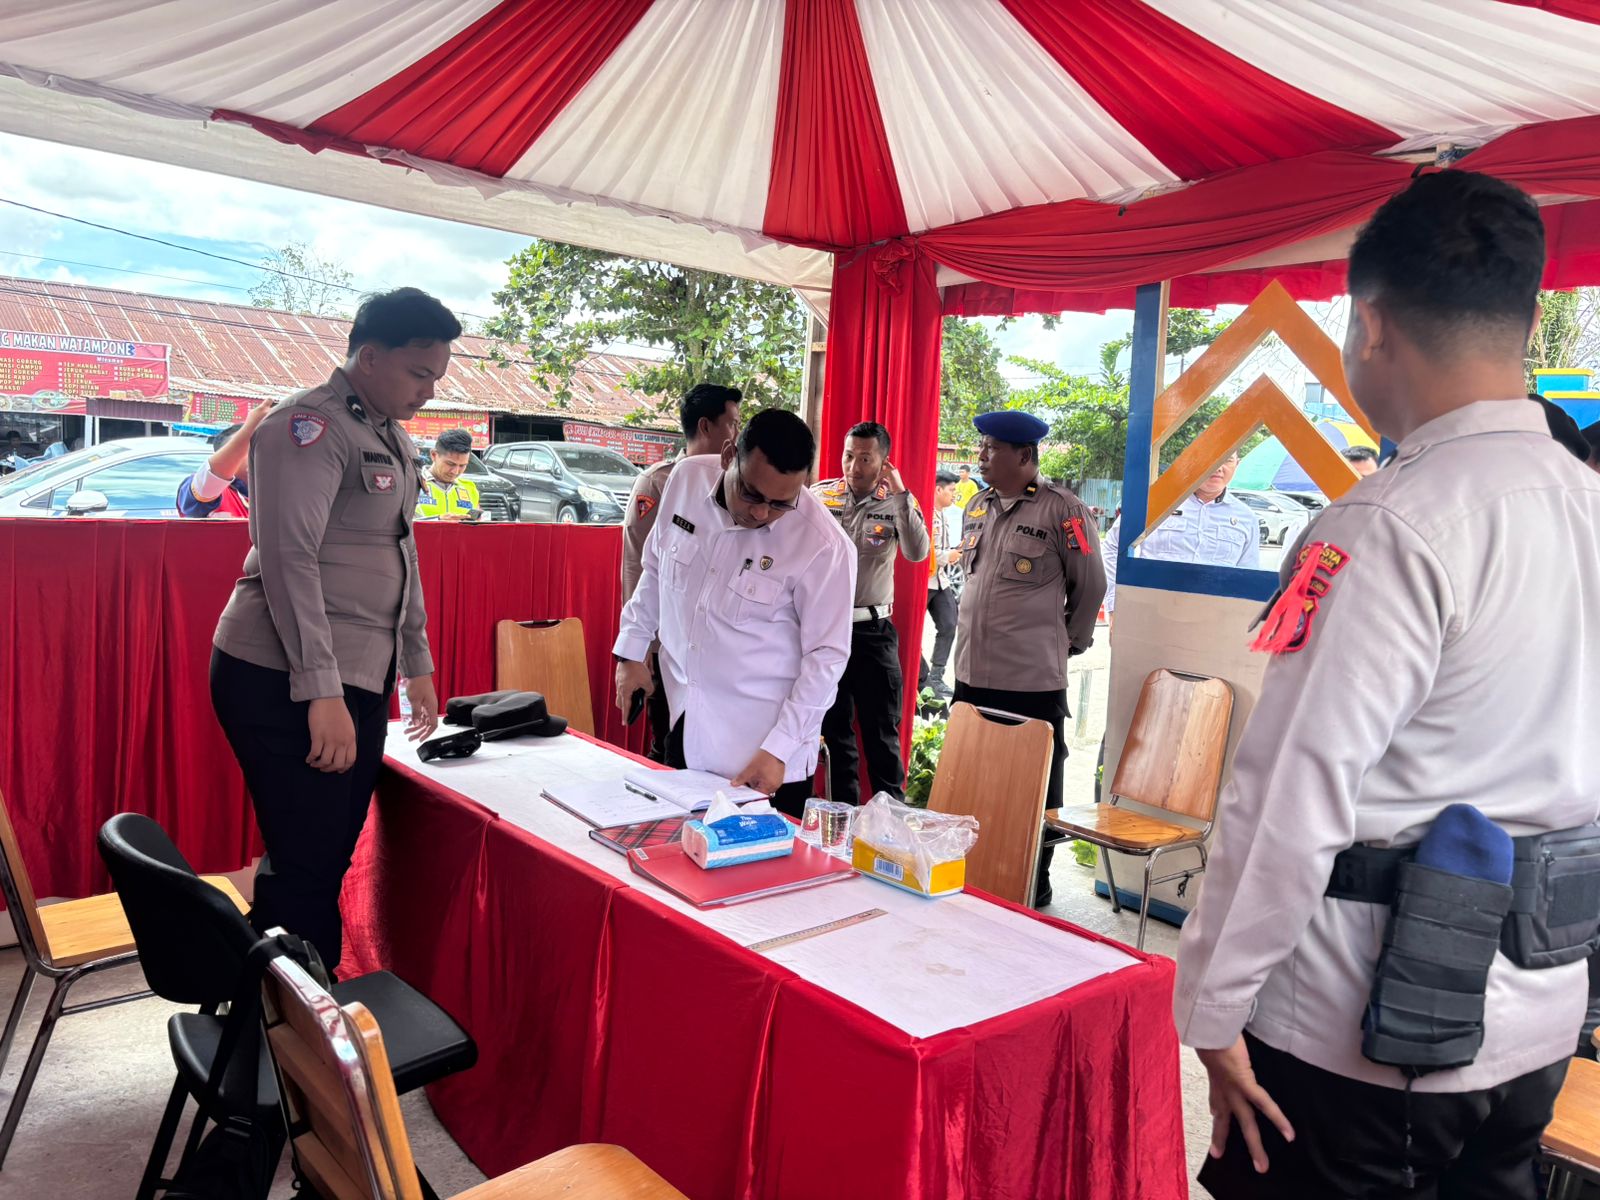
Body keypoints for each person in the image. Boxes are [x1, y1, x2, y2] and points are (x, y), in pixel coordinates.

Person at [1175, 171, 1600, 1199]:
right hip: (1540, 1007)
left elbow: (1289, 796)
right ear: (1526, 320)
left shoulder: (1385, 525)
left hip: (1366, 1033)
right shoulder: (1586, 502)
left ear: (1367, 325)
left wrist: (1213, 1007)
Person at [209, 287, 460, 972]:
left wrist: (417, 663)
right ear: (369, 357)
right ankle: (293, 1023)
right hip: (282, 676)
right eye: (418, 373)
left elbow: (402, 553)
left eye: (436, 377)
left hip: (356, 671)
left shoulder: (389, 436)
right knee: (310, 863)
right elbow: (288, 560)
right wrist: (318, 691)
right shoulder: (306, 426)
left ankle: (261, 1004)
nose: (428, 391)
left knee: (318, 855)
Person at [613, 409, 855, 817]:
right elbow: (656, 567)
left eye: (781, 504)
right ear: (729, 456)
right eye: (752, 495)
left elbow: (826, 659)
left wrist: (779, 749)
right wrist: (631, 652)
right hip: (684, 720)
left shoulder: (825, 547)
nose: (762, 513)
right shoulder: (686, 480)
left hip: (761, 760)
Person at [953, 411, 1106, 905]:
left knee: (1033, 786)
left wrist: (1068, 643)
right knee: (973, 778)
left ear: (1024, 455)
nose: (981, 456)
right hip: (972, 672)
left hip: (1030, 680)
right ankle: (975, 873)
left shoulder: (1063, 510)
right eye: (982, 446)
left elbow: (1091, 585)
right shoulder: (977, 505)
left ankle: (1032, 881)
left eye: (992, 448)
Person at [620, 382, 742, 761]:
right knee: (669, 744)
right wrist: (641, 648)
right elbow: (640, 566)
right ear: (705, 426)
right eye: (733, 424)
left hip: (715, 651)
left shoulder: (740, 484)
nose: (738, 434)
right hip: (667, 647)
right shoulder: (659, 482)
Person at [813, 422, 930, 804]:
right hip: (826, 632)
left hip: (872, 632)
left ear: (883, 463)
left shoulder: (897, 503)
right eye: (849, 456)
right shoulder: (820, 496)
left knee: (881, 736)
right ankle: (842, 820)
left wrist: (900, 494)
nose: (854, 467)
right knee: (835, 734)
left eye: (865, 459)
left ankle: (890, 823)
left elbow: (917, 552)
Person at [1101, 450, 1258, 627]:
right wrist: (1114, 603)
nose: (1218, 467)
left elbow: (1248, 576)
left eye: (1227, 460)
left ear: (1237, 464)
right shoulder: (1156, 502)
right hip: (1150, 617)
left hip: (1213, 624)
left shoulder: (1246, 518)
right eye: (1212, 456)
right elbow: (1113, 546)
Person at [177, 399, 275, 518]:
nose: (262, 455)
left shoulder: (280, 494)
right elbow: (210, 480)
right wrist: (251, 427)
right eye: (252, 448)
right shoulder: (210, 490)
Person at [918, 469, 963, 698]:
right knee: (915, 630)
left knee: (949, 624)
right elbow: (925, 551)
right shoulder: (924, 513)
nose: (954, 495)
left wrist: (954, 552)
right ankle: (921, 677)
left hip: (941, 580)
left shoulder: (943, 514)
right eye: (951, 490)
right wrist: (949, 556)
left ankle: (936, 676)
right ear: (938, 489)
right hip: (924, 580)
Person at [415, 428, 481, 521]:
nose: (455, 471)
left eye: (462, 465)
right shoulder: (413, 484)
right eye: (450, 464)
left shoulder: (469, 488)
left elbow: (478, 523)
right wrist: (438, 521)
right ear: (434, 455)